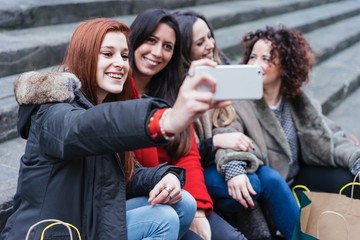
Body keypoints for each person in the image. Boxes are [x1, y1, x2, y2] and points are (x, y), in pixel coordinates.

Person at [0, 18, 226, 240]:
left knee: (183, 202)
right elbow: (79, 129)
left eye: (124, 55)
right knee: (162, 218)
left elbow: (122, 177)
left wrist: (165, 177)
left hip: (90, 218)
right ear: (84, 55)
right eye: (107, 54)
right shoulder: (51, 110)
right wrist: (165, 120)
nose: (120, 63)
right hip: (55, 231)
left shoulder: (102, 105)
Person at [212, 25, 360, 239]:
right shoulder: (239, 101)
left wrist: (355, 158)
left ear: (285, 65)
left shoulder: (297, 101)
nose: (256, 64)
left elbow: (330, 137)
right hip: (271, 187)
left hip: (298, 175)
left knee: (350, 178)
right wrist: (234, 168)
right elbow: (227, 134)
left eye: (266, 58)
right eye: (253, 57)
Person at [128, 8, 246, 240]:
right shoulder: (117, 89)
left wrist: (199, 212)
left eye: (167, 46)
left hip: (179, 194)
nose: (157, 52)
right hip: (144, 200)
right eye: (151, 40)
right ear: (135, 39)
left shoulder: (173, 92)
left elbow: (188, 155)